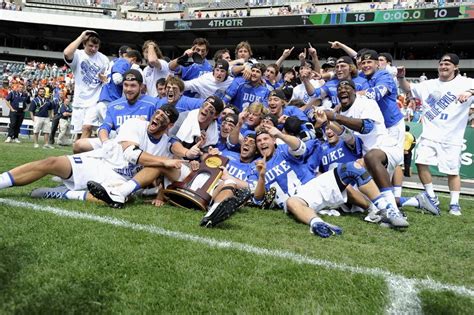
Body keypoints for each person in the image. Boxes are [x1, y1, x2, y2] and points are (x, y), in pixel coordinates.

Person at [322, 79, 408, 227]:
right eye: (339, 88)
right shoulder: (341, 112)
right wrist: (327, 123)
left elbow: (367, 127)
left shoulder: (366, 102)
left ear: (355, 91)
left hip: (386, 148)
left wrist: (335, 117)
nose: (342, 89)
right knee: (353, 195)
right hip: (367, 158)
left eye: (347, 86)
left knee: (370, 157)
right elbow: (351, 139)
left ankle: (393, 210)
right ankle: (417, 202)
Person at [398, 53, 474, 216]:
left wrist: (470, 92)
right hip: (430, 134)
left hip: (452, 137)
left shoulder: (466, 82)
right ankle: (432, 197)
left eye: (448, 63)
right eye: (441, 63)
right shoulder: (429, 84)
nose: (444, 66)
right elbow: (408, 88)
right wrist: (401, 78)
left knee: (452, 172)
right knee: (420, 163)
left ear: (455, 67)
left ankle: (454, 204)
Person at [73, 69, 158, 154]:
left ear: (141, 86)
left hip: (142, 146)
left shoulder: (153, 104)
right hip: (118, 143)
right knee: (79, 145)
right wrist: (105, 142)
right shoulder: (113, 105)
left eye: (133, 86)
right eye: (126, 85)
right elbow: (105, 127)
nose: (128, 89)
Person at [63, 30, 109, 138]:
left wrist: (104, 79)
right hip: (79, 102)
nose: (93, 49)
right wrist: (81, 37)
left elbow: (107, 80)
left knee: (87, 129)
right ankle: (79, 153)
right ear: (84, 44)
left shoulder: (103, 59)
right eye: (90, 46)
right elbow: (67, 53)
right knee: (78, 135)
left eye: (96, 46)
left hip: (95, 102)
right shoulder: (78, 55)